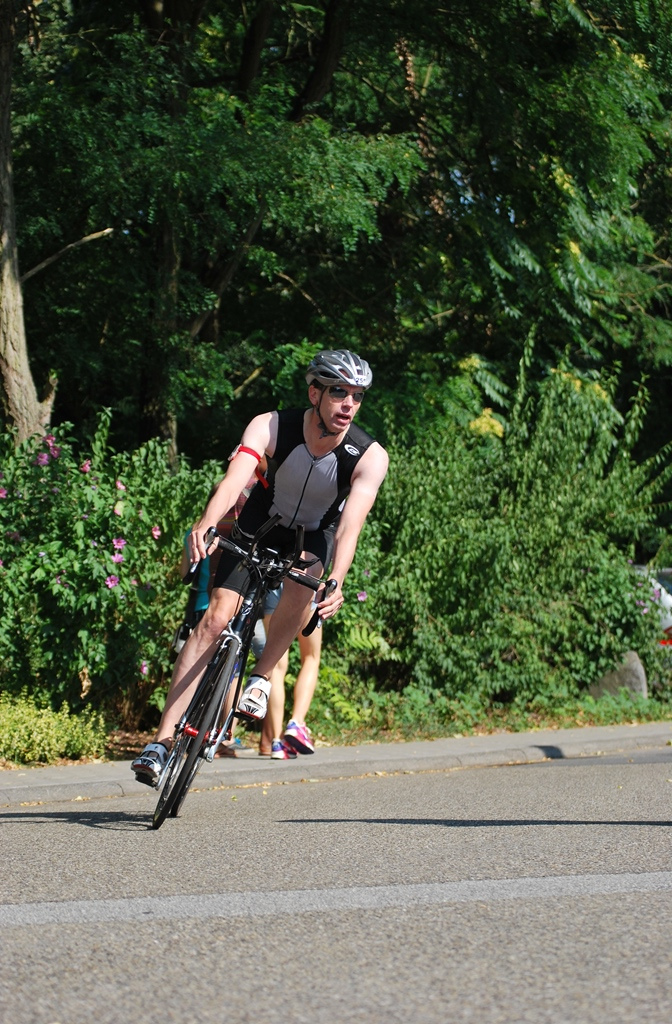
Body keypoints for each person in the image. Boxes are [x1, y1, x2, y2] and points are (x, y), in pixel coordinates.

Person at [132, 349, 389, 786]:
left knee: (306, 580)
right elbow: (234, 480)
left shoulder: (369, 456)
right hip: (260, 524)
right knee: (214, 619)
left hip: (312, 537)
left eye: (357, 396)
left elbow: (351, 526)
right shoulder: (271, 426)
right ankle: (161, 742)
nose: (349, 404)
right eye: (339, 392)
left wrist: (337, 579)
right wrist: (206, 523)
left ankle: (262, 676)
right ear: (315, 393)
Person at [258, 593, 323, 759]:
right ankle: (297, 722)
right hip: (306, 586)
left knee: (276, 665)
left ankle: (277, 742)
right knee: (311, 657)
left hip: (274, 587)